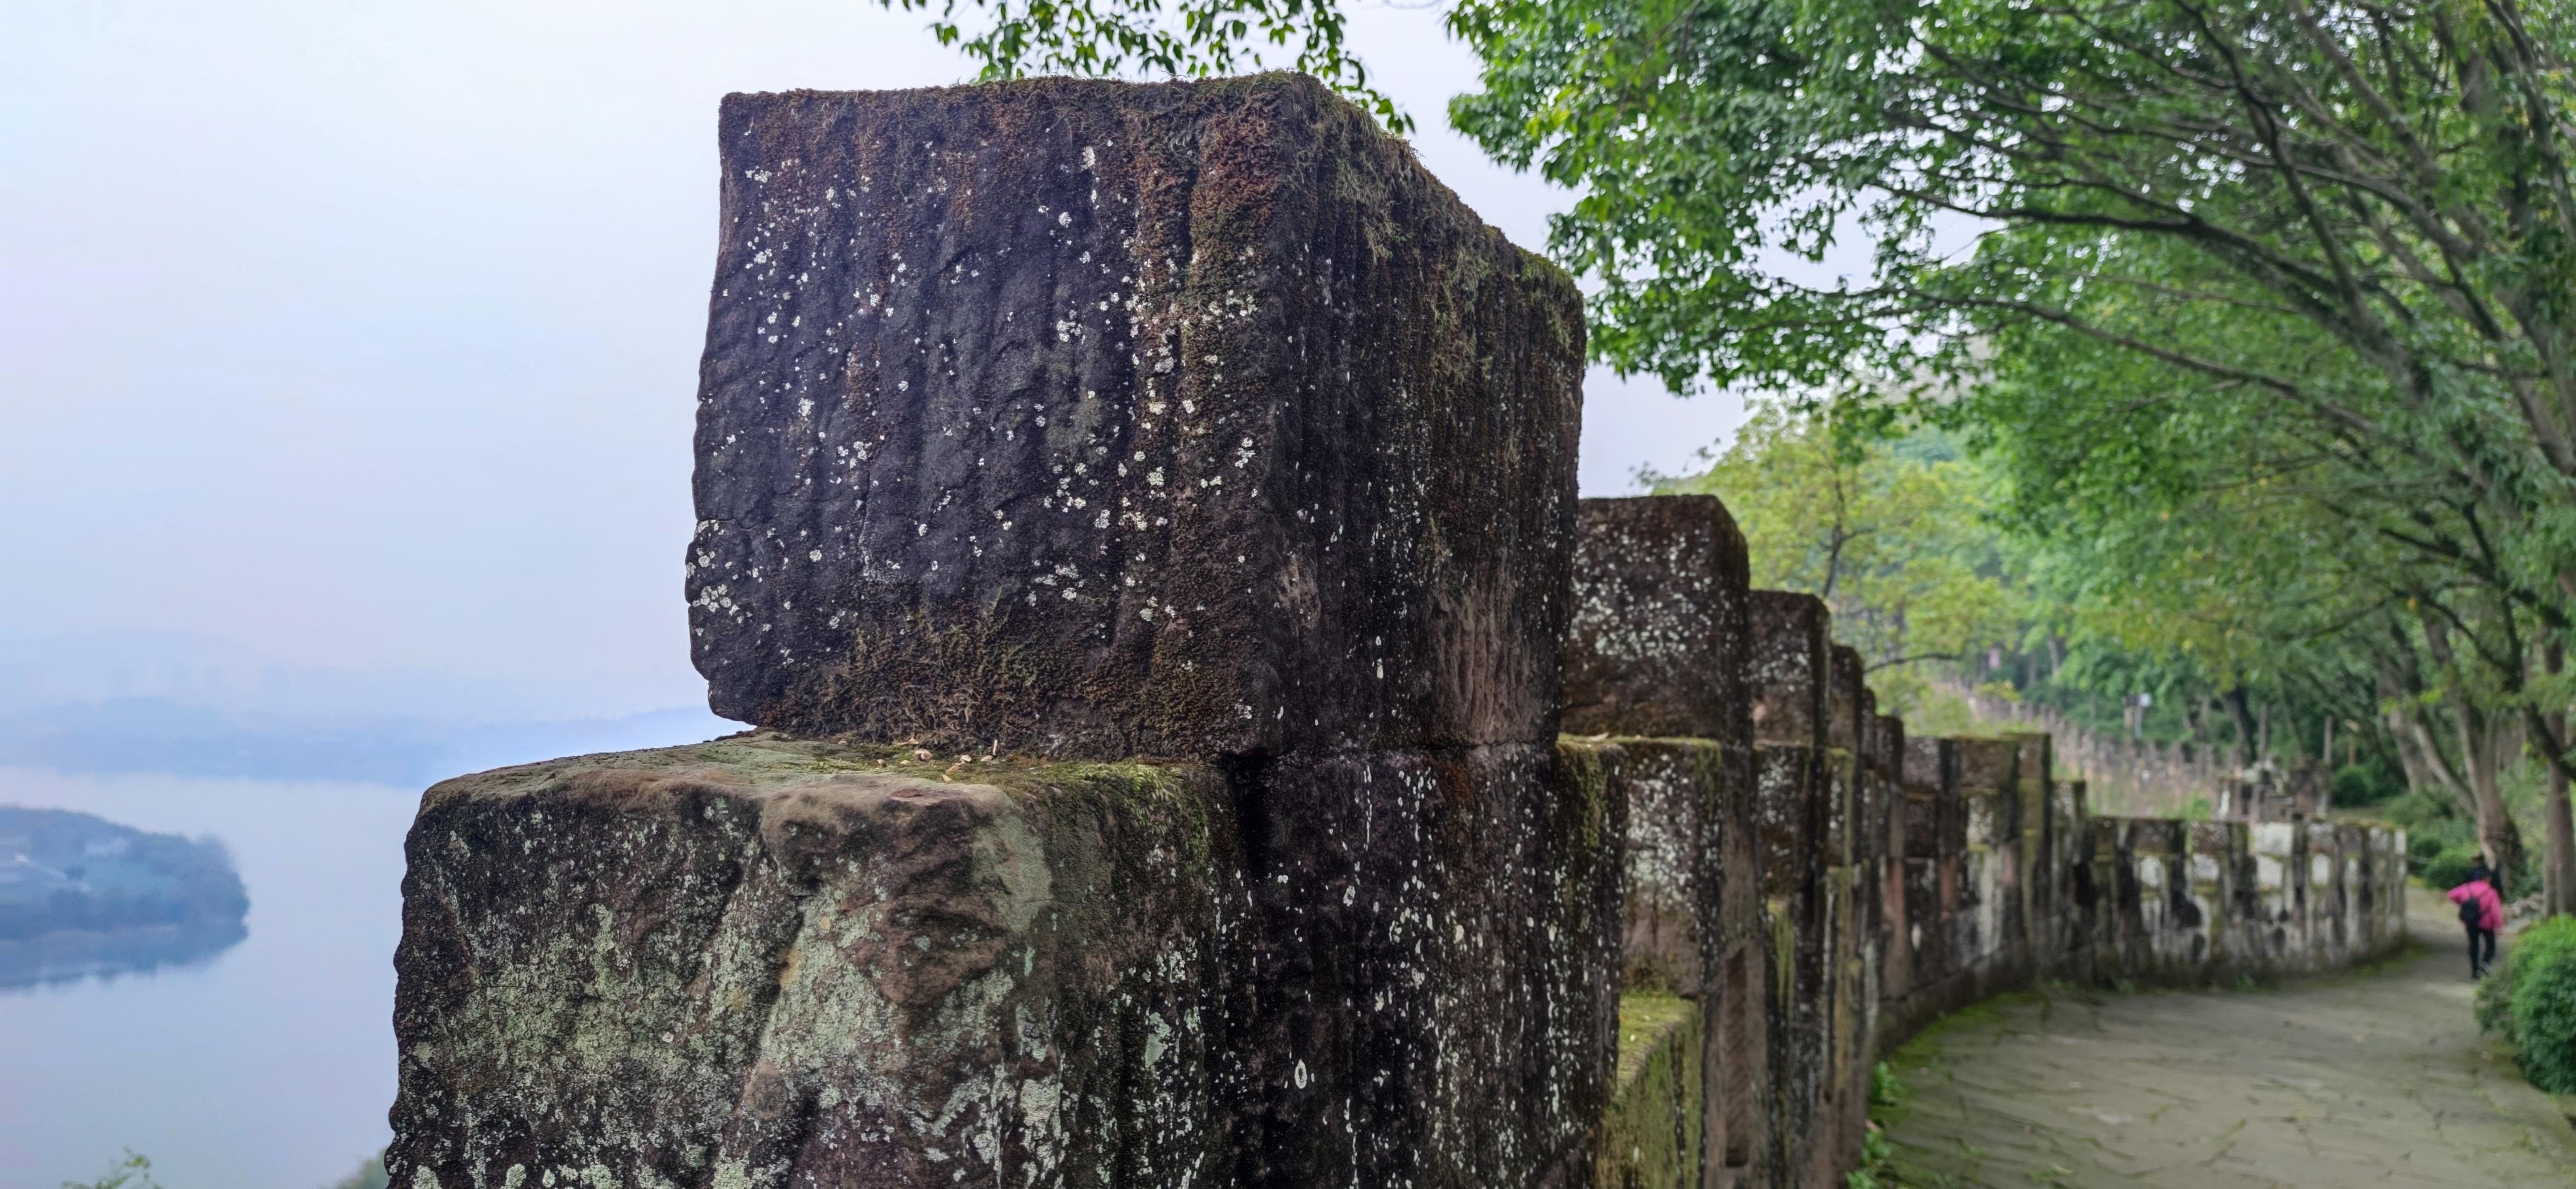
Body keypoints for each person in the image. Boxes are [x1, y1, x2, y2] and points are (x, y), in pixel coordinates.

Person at [2447, 863, 2505, 979]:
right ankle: (2485, 964)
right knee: (2491, 946)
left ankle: (2475, 971)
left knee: (2474, 945)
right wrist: (2498, 926)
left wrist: (2463, 904)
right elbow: (2495, 912)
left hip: (2471, 922)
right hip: (2487, 924)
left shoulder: (2466, 888)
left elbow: (2451, 895)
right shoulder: (2491, 892)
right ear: (2487, 879)